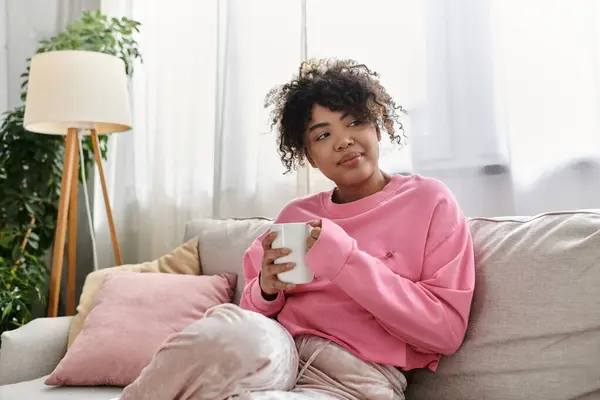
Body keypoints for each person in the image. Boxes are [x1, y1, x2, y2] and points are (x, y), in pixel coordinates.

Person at [120, 59, 475, 400]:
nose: (343, 141)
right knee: (231, 330)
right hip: (277, 349)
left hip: (354, 381)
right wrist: (266, 290)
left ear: (378, 127)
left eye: (354, 123)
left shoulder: (429, 201)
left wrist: (345, 259)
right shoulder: (297, 214)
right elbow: (249, 317)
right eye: (323, 135)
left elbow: (444, 332)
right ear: (308, 156)